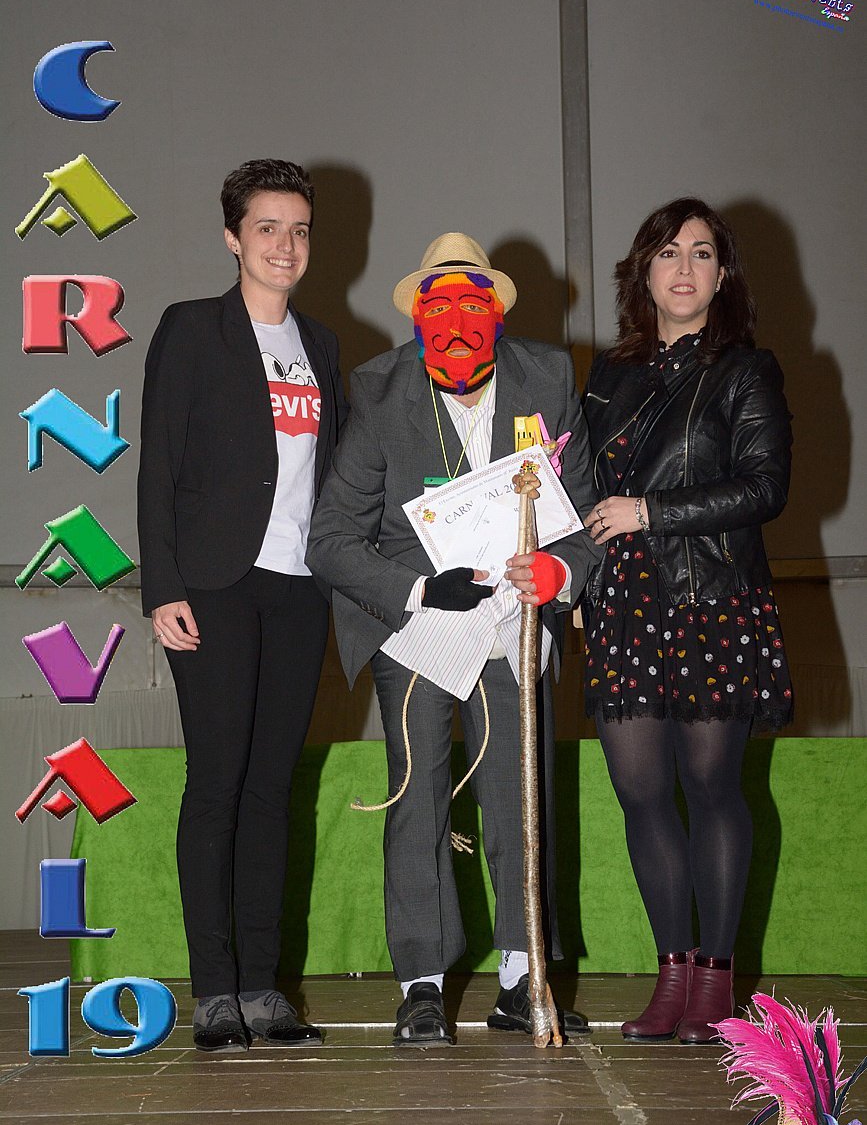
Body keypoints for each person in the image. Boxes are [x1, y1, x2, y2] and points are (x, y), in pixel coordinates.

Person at [306, 232, 602, 1046]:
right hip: (418, 626)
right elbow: (330, 539)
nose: (457, 328)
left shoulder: (547, 380)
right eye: (438, 313)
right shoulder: (379, 393)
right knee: (418, 798)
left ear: (499, 316)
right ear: (415, 323)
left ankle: (520, 978)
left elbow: (581, 519)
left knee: (518, 795)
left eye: (474, 309)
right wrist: (414, 591)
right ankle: (422, 987)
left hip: (511, 620)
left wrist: (560, 572)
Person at [137, 159, 346, 1052]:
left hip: (299, 591)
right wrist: (162, 586)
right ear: (232, 237)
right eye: (266, 228)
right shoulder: (192, 329)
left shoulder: (323, 344)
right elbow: (158, 463)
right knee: (216, 784)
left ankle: (264, 988)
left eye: (298, 230)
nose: (284, 245)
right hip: (215, 587)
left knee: (271, 790)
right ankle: (213, 991)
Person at [581, 196, 793, 1044]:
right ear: (642, 270)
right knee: (639, 794)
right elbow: (575, 487)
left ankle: (714, 979)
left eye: (701, 253)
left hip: (712, 599)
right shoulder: (606, 375)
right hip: (625, 603)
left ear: (721, 275)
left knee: (710, 788)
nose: (683, 267)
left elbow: (764, 487)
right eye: (667, 252)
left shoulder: (746, 370)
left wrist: (649, 513)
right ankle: (671, 976)